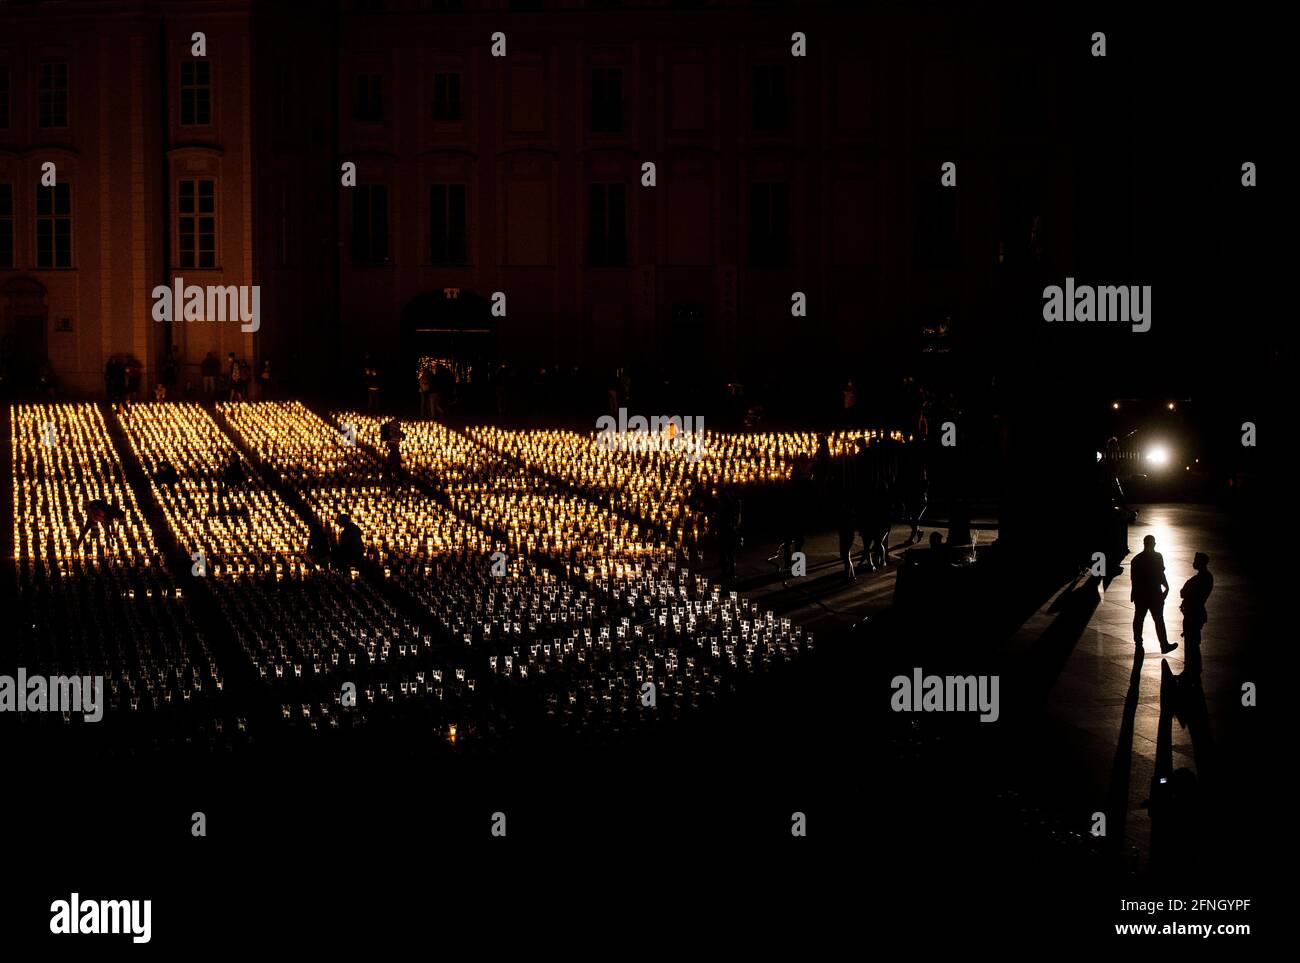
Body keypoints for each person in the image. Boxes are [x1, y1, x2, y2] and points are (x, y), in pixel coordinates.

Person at [1131, 534, 1176, 653]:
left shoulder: (1136, 559)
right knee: (1159, 620)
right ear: (1153, 544)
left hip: (1141, 594)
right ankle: (1164, 644)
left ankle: (1138, 642)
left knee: (1139, 618)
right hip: (1155, 593)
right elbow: (1161, 574)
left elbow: (1134, 579)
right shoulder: (1158, 557)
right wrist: (1166, 587)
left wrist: (1134, 593)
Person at [1179, 553, 1213, 675]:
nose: (1193, 562)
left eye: (1195, 560)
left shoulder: (1198, 579)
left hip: (1193, 613)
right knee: (1193, 641)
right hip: (1197, 612)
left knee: (1191, 642)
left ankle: (1191, 667)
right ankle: (1193, 666)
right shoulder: (1207, 578)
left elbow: (1183, 592)